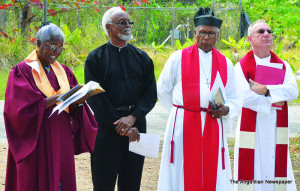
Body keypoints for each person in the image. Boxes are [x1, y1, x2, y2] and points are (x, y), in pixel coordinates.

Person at [4, 23, 98, 191]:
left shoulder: (64, 71)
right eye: (53, 46)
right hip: (36, 138)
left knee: (61, 179)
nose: (56, 52)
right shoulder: (21, 71)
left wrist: (80, 101)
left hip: (61, 136)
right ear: (38, 43)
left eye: (61, 48)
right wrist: (60, 98)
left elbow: (72, 107)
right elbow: (18, 111)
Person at [157, 7, 242, 191]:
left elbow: (236, 97)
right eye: (202, 32)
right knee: (181, 167)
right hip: (183, 123)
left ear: (217, 36)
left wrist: (226, 110)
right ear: (194, 33)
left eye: (211, 34)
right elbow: (162, 89)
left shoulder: (225, 62)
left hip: (213, 121)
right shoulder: (177, 58)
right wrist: (179, 113)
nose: (206, 38)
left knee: (212, 170)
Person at [84, 7, 157, 191]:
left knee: (131, 183)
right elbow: (95, 97)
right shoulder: (95, 58)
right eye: (122, 22)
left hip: (136, 129)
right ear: (109, 27)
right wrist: (119, 124)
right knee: (103, 183)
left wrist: (132, 119)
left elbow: (150, 94)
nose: (127, 26)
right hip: (107, 130)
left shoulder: (142, 58)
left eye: (128, 22)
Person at [233, 19, 298, 191]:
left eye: (269, 31)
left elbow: (293, 92)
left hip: (277, 125)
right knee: (251, 168)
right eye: (261, 32)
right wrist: (276, 98)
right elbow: (243, 97)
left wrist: (266, 90)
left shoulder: (283, 65)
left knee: (276, 164)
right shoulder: (240, 67)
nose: (266, 34)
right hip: (252, 125)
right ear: (249, 39)